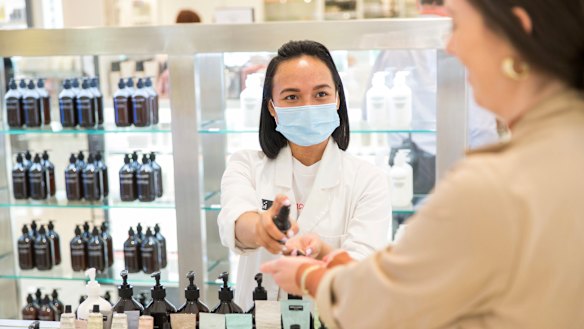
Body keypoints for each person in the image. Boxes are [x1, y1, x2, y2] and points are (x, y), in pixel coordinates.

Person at [261, 0, 584, 327]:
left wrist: (308, 278)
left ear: (517, 30)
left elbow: (387, 305)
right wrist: (337, 262)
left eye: (457, 25)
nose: (451, 47)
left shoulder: (495, 184)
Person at [218, 40, 392, 310]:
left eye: (321, 94)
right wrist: (260, 228)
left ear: (337, 99)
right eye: (292, 97)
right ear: (272, 108)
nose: (308, 106)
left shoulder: (368, 180)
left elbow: (363, 270)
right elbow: (236, 221)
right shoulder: (246, 165)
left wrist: (322, 253)